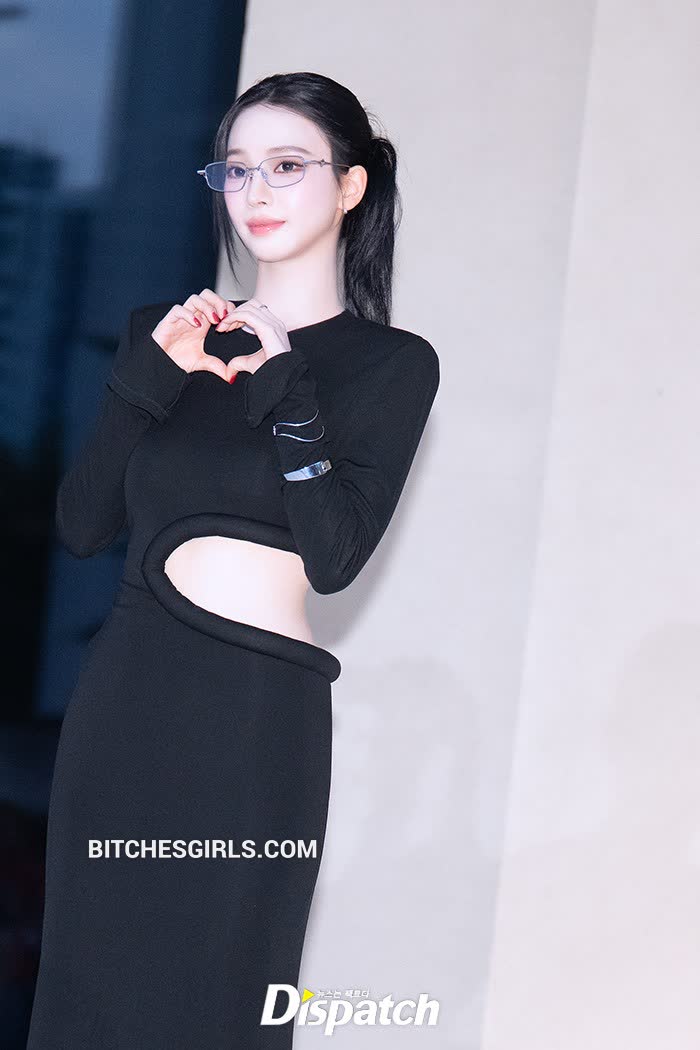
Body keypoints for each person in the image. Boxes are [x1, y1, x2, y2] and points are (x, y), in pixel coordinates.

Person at [26, 71, 440, 1048]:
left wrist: (287, 388)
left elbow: (335, 557)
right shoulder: (162, 335)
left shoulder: (392, 365)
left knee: (218, 999)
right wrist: (144, 383)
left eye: (287, 166)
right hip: (125, 706)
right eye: (237, 168)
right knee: (89, 995)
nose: (255, 191)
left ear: (349, 186)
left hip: (253, 726)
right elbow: (82, 526)